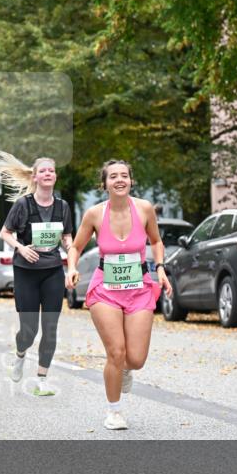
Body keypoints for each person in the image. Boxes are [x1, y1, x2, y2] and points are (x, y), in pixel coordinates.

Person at [66, 160, 172, 430]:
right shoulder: (94, 214)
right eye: (113, 176)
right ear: (105, 184)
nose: (119, 180)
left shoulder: (144, 209)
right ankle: (114, 411)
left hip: (138, 287)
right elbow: (76, 247)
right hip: (105, 290)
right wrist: (71, 268)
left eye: (124, 175)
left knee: (135, 359)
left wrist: (160, 267)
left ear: (131, 181)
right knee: (116, 351)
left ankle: (125, 369)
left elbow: (156, 241)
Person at [0, 152, 73, 397]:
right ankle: (21, 352)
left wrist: (70, 251)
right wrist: (21, 248)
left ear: (55, 177)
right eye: (43, 171)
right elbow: (5, 232)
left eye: (51, 171)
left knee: (51, 327)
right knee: (29, 330)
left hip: (52, 270)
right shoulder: (23, 205)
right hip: (26, 272)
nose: (48, 174)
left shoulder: (62, 206)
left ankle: (42, 379)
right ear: (35, 176)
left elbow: (66, 236)